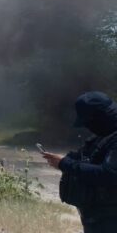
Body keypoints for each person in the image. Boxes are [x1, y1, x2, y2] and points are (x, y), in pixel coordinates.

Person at [41, 91, 117, 233]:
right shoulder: (106, 134)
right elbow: (91, 158)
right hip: (99, 217)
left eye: (89, 123)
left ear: (99, 118)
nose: (88, 127)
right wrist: (66, 159)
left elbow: (109, 174)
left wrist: (66, 164)